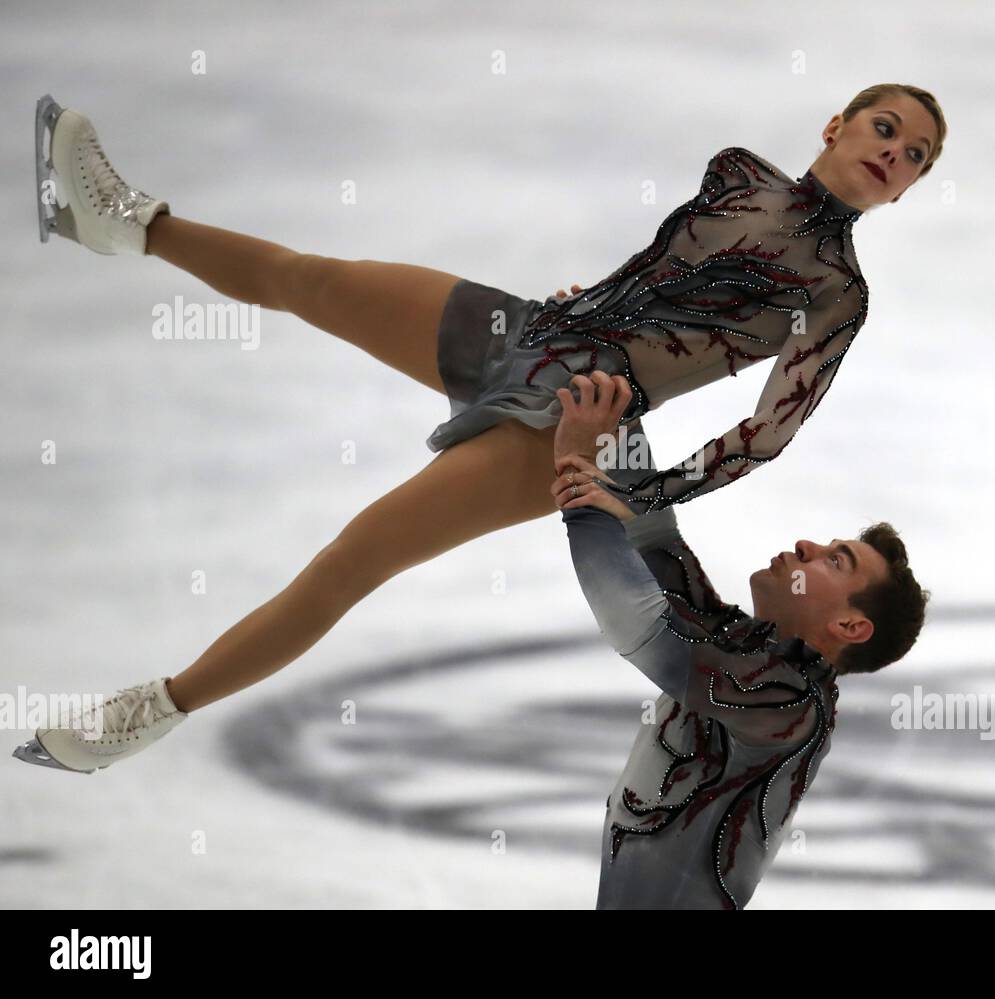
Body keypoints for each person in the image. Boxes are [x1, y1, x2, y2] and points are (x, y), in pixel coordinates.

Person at [15, 85, 945, 774]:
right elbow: (660, 267)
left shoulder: (837, 294)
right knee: (315, 279)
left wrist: (643, 490)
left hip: (577, 409)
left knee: (352, 559)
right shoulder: (737, 171)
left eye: (913, 158)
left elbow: (765, 433)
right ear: (837, 126)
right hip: (532, 331)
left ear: (902, 195)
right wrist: (597, 295)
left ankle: (148, 714)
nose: (893, 153)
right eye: (887, 128)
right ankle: (124, 221)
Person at [552, 372, 929, 908]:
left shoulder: (792, 702)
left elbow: (638, 626)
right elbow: (653, 538)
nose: (807, 544)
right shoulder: (742, 645)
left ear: (849, 626)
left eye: (835, 560)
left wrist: (575, 481)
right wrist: (615, 394)